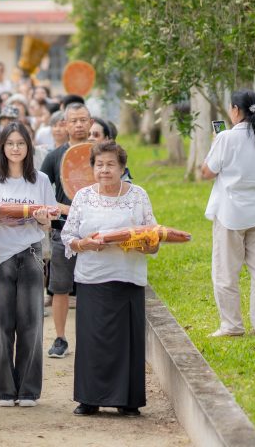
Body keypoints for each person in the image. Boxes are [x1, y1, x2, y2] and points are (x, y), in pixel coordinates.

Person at [61, 141, 157, 416]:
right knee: (93, 340)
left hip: (128, 278)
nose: (105, 170)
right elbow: (68, 237)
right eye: (99, 164)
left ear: (123, 168)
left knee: (127, 342)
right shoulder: (82, 197)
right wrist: (85, 244)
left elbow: (153, 237)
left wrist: (137, 242)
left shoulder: (138, 195)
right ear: (93, 168)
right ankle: (89, 398)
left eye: (111, 164)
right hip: (92, 279)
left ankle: (128, 401)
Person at [0, 123, 57, 407]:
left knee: (31, 323)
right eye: (10, 143)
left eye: (20, 143)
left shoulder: (41, 180)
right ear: (2, 147)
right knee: (1, 324)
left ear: (29, 147)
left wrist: (39, 216)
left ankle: (28, 389)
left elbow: (49, 221)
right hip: (0, 255)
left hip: (31, 253)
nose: (15, 148)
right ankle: (3, 389)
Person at [201, 90, 255, 337]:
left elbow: (206, 172)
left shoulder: (225, 138)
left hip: (232, 213)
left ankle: (232, 325)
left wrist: (215, 143)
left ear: (235, 110)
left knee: (226, 271)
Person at [40, 102, 92, 358]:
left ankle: (92, 337)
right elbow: (40, 190)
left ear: (91, 123)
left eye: (83, 120)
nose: (79, 125)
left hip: (97, 234)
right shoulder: (54, 156)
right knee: (60, 288)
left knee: (94, 287)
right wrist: (65, 209)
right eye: (74, 121)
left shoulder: (101, 154)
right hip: (63, 232)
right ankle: (60, 338)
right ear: (65, 124)